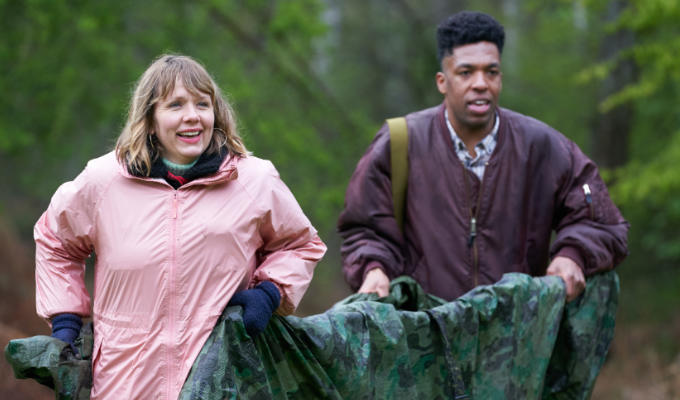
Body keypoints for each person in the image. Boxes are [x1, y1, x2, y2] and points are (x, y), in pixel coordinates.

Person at [34, 54, 326, 399]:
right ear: (150, 118)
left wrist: (269, 292)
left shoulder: (253, 179)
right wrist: (65, 321)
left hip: (223, 382)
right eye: (175, 105)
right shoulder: (103, 181)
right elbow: (55, 240)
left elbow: (300, 244)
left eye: (203, 104)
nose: (192, 116)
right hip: (122, 383)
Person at [337, 11, 628, 303]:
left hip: (518, 336)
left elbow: (601, 222)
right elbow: (364, 230)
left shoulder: (543, 146)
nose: (481, 83)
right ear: (442, 81)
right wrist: (373, 269)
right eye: (466, 73)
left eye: (491, 72)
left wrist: (572, 255)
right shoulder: (399, 143)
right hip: (426, 335)